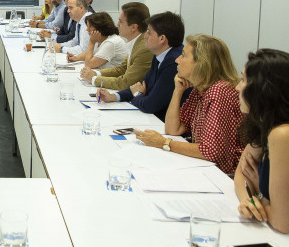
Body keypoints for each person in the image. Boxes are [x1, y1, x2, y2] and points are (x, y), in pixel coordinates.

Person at [134, 34, 245, 174]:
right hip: (208, 168)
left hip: (225, 175)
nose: (177, 60)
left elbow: (210, 151)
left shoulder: (219, 91)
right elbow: (173, 129)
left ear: (202, 63)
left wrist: (164, 143)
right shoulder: (200, 89)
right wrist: (177, 91)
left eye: (184, 56)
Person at [234, 49, 289, 233]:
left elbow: (282, 223)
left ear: (262, 89)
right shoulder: (266, 123)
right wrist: (248, 200)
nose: (237, 87)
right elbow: (241, 173)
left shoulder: (282, 134)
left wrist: (260, 195)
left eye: (243, 80)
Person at [97, 12, 185, 121]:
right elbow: (142, 85)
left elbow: (149, 105)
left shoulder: (174, 63)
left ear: (162, 39)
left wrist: (137, 95)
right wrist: (114, 97)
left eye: (149, 32)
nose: (145, 36)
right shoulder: (159, 55)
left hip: (164, 125)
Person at [80, 2, 152, 90]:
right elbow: (121, 69)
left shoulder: (144, 48)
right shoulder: (135, 42)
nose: (117, 25)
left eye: (121, 22)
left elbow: (125, 83)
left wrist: (94, 79)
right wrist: (95, 73)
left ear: (133, 27)